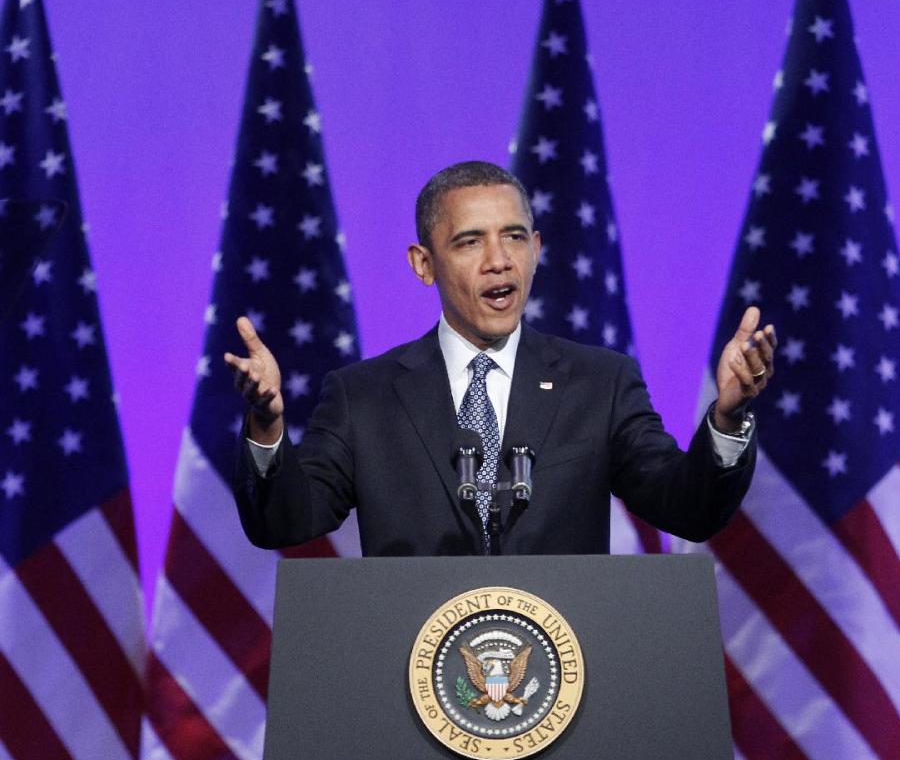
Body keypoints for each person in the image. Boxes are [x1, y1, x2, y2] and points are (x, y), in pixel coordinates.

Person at [227, 161, 776, 556]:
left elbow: (689, 509)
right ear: (424, 264)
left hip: (564, 677)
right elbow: (285, 522)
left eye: (514, 237)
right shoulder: (363, 397)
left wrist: (726, 420)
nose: (498, 261)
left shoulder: (599, 383)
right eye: (470, 242)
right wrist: (267, 425)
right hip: (410, 680)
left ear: (535, 249)